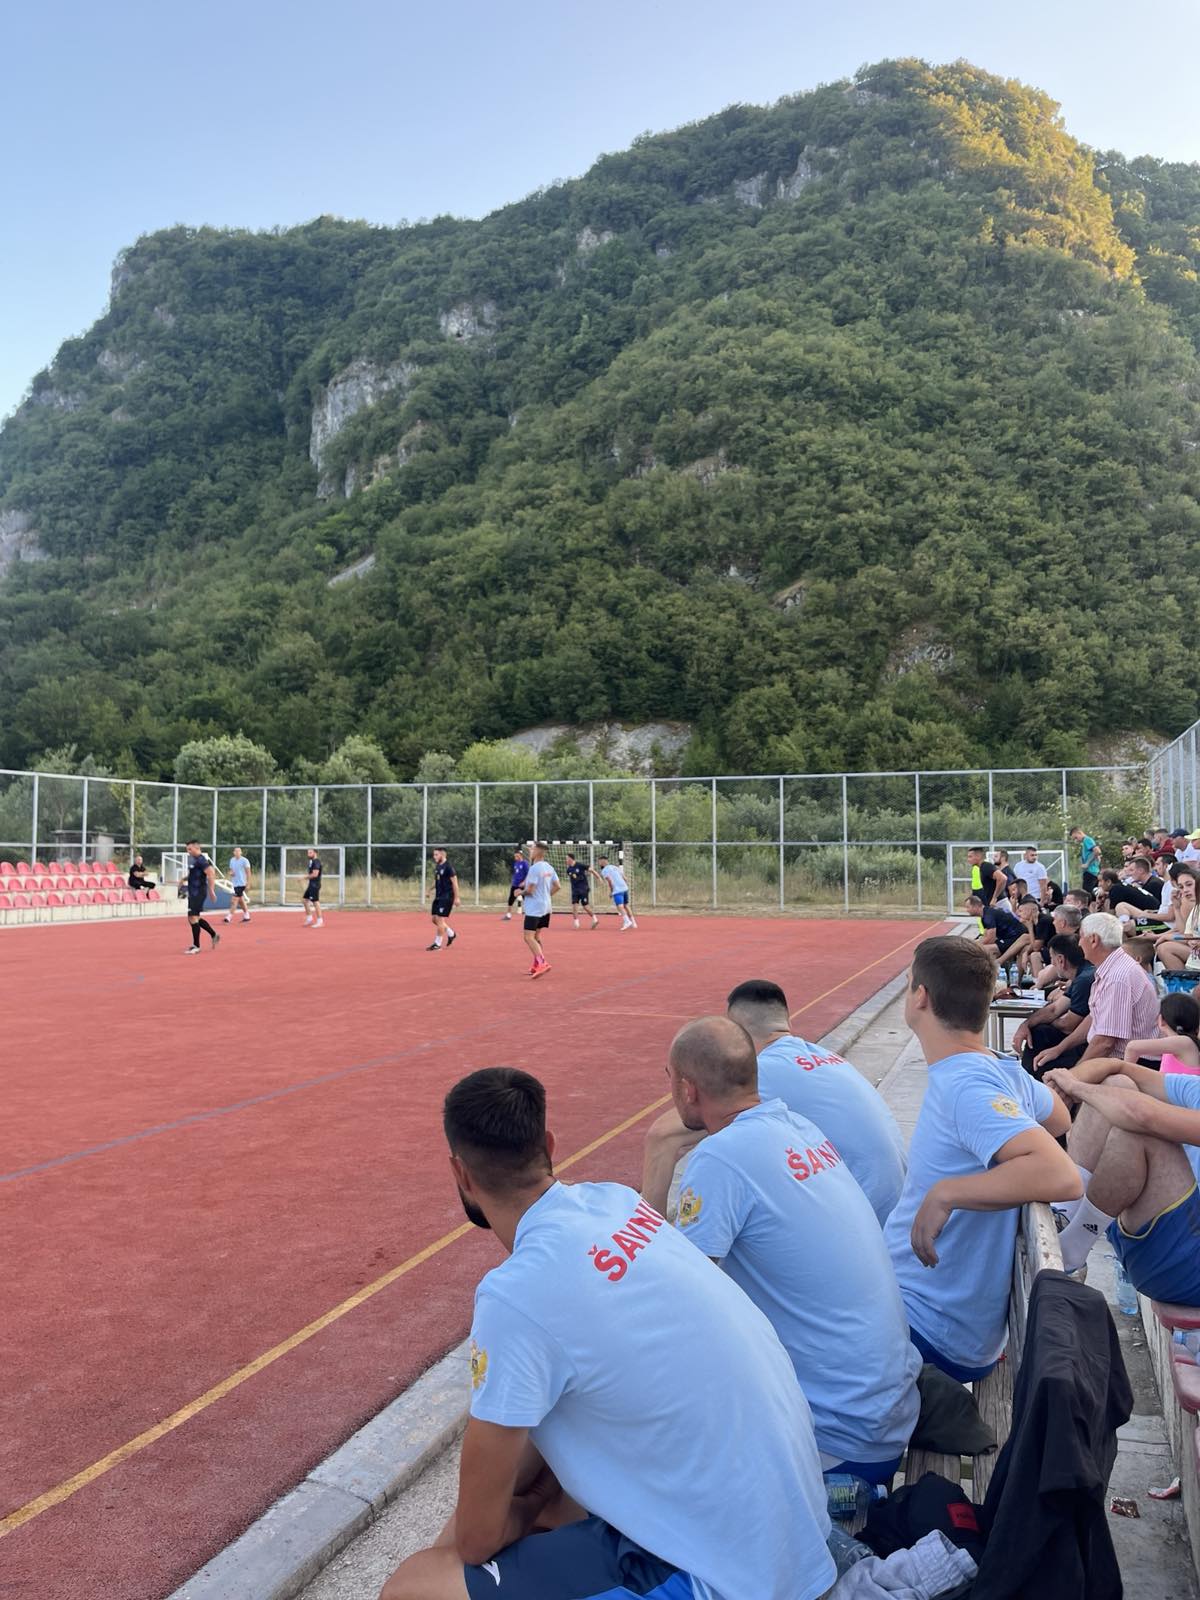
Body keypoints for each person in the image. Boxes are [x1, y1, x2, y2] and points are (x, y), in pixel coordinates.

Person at [378, 1068, 836, 1600]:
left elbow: (478, 1540)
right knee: (546, 1484)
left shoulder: (514, 1296)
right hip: (792, 1533)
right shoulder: (619, 1203)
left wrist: (522, 1512)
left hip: (732, 1576)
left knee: (412, 1587)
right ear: (549, 1146)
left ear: (460, 1173)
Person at [666, 1016, 921, 1482]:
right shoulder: (798, 1126)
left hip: (838, 1439)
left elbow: (682, 1306)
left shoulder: (720, 1158)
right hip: (885, 1411)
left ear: (687, 1089)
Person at [884, 937, 1078, 1381]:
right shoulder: (994, 1067)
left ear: (920, 996)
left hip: (926, 1324)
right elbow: (1059, 1116)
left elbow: (1060, 1174)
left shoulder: (965, 1086)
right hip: (935, 1313)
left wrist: (947, 1192)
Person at [725, 978, 907, 1223]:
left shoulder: (763, 1070)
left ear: (738, 1034)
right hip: (898, 1207)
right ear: (787, 1022)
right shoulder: (826, 1056)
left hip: (869, 1218)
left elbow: (688, 1125)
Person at [1043, 1057, 1200, 1304]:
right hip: (1173, 1240)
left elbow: (1143, 1116)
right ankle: (1065, 1213)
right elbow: (1114, 1066)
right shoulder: (1195, 1088)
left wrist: (1076, 1088)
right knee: (1116, 1084)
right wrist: (1062, 1086)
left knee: (1140, 1133)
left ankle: (1073, 1248)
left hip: (1190, 1273)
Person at [1033, 913, 1160, 1073]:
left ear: (1093, 940)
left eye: (1081, 937)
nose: (1079, 943)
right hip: (1117, 1056)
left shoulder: (1117, 977)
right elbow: (1094, 1018)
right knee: (1043, 1053)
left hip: (1133, 1063)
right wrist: (1059, 1049)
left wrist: (1073, 1077)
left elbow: (1105, 1043)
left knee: (1044, 1069)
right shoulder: (1113, 967)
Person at [1012, 935, 1095, 1076]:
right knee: (1038, 1029)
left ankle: (1030, 1078)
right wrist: (1026, 1024)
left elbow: (1068, 1025)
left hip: (1085, 1046)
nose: (1051, 963)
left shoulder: (1084, 980)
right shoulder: (1082, 975)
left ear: (1061, 960)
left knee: (1040, 1033)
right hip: (1081, 1040)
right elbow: (1054, 1009)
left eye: (1051, 958)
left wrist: (1041, 1023)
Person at [1123, 993, 1200, 1073]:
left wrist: (1126, 1074)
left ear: (1161, 1019)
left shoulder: (1184, 1042)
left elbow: (1132, 1047)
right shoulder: (1187, 1043)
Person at [965, 893, 1031, 982]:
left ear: (976, 906)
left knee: (983, 950)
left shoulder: (988, 916)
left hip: (1015, 937)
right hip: (1009, 937)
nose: (967, 910)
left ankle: (984, 977)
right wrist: (974, 942)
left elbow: (990, 939)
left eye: (968, 907)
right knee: (984, 949)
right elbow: (986, 936)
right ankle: (989, 977)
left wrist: (972, 945)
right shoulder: (987, 913)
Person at [521, 842, 558, 978]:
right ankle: (537, 964)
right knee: (536, 936)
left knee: (528, 937)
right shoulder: (549, 867)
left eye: (532, 849)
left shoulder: (534, 868)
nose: (530, 851)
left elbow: (530, 890)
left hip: (534, 908)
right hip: (546, 907)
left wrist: (520, 893)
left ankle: (542, 963)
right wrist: (546, 896)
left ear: (538, 851)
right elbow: (557, 886)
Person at [182, 841, 220, 955]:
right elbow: (194, 874)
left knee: (193, 917)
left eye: (190, 849)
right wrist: (183, 880)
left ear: (197, 848)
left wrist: (211, 890)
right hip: (193, 892)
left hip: (198, 892)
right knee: (193, 918)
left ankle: (196, 946)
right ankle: (214, 934)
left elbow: (211, 873)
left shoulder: (201, 860)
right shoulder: (195, 860)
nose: (188, 852)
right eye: (187, 849)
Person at [428, 847, 459, 951]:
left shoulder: (449, 867)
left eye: (436, 855)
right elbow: (437, 880)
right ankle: (451, 933)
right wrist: (429, 890)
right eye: (434, 855)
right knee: (434, 919)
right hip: (438, 896)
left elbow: (455, 883)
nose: (434, 857)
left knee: (440, 920)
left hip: (447, 896)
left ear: (442, 855)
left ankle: (437, 944)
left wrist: (457, 898)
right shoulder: (438, 866)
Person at [594, 854, 636, 930]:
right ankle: (634, 922)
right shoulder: (615, 867)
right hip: (624, 888)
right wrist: (625, 885)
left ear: (603, 861)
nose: (599, 863)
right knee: (626, 905)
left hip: (617, 889)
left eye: (599, 861)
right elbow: (624, 877)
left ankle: (627, 921)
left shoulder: (604, 871)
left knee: (620, 906)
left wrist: (611, 891)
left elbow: (610, 881)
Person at [564, 852, 599, 930]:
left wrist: (598, 877)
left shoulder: (580, 865)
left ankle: (595, 919)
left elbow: (591, 870)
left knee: (585, 906)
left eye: (566, 858)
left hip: (583, 889)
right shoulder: (569, 869)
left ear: (570, 859)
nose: (566, 860)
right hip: (575, 890)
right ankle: (576, 922)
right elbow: (574, 878)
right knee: (574, 905)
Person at [224, 846, 252, 924]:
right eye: (235, 851)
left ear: (241, 852)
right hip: (235, 883)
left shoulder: (245, 860)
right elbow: (231, 870)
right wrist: (231, 873)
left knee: (234, 900)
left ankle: (229, 917)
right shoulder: (232, 860)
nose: (237, 852)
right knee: (241, 900)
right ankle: (247, 916)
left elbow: (248, 872)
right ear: (233, 852)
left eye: (238, 851)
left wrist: (248, 883)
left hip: (242, 883)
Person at [1070, 826, 1102, 894]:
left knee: (1086, 894)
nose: (1076, 840)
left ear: (1079, 833)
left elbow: (1097, 851)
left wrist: (1087, 863)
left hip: (1090, 872)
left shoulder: (1087, 840)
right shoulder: (1085, 842)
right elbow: (1095, 853)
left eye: (1076, 837)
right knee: (1092, 893)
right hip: (1091, 871)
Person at [502, 848, 529, 922]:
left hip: (522, 885)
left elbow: (528, 874)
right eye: (515, 856)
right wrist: (513, 880)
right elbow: (516, 873)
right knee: (511, 899)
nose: (515, 857)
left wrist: (524, 882)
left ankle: (529, 915)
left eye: (517, 856)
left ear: (520, 855)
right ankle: (508, 915)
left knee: (526, 900)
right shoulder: (516, 863)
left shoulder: (525, 863)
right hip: (515, 884)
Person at [301, 847, 323, 928]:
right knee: (305, 900)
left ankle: (320, 921)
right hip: (311, 884)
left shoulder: (316, 862)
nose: (308, 854)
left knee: (315, 902)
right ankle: (309, 919)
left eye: (310, 852)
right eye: (308, 852)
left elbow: (315, 874)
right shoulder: (312, 862)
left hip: (315, 885)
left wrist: (304, 877)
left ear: (315, 853)